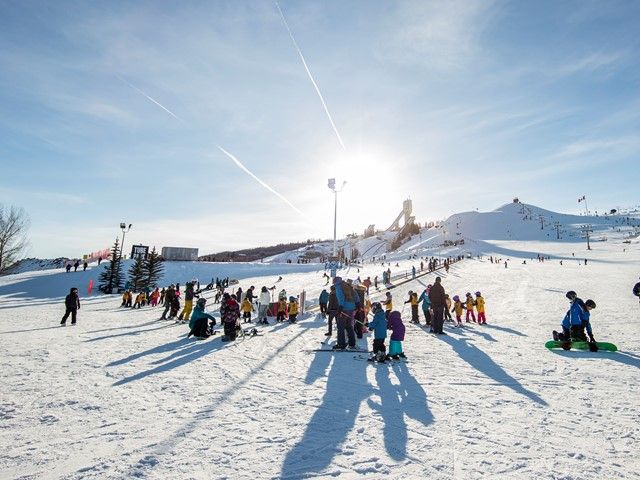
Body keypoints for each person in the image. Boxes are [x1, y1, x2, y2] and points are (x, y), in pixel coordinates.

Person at [332, 276, 360, 350]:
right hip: (351, 309)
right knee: (349, 326)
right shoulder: (348, 285)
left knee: (340, 327)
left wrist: (340, 308)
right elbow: (355, 295)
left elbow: (341, 298)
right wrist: (358, 304)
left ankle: (341, 344)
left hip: (344, 309)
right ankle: (352, 343)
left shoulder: (338, 287)